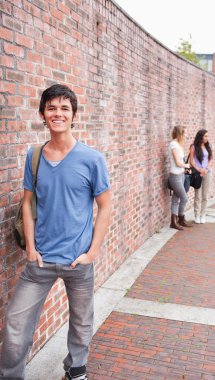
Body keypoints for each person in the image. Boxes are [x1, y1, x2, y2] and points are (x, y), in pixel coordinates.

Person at [0, 84, 111, 380]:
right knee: (15, 322)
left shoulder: (92, 159)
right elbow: (27, 204)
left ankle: (75, 370)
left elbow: (105, 207)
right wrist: (32, 249)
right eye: (51, 108)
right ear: (42, 114)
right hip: (40, 262)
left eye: (64, 108)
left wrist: (93, 252)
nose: (57, 113)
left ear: (74, 115)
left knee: (81, 321)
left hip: (78, 261)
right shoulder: (34, 156)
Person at [168, 125, 193, 230]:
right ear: (179, 134)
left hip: (181, 174)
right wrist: (186, 165)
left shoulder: (178, 145)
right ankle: (180, 218)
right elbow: (178, 163)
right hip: (175, 176)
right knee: (184, 197)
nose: (185, 135)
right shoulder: (173, 145)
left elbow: (180, 161)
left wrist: (185, 169)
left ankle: (174, 222)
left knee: (176, 198)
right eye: (184, 133)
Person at [189, 129, 213, 224]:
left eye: (208, 136)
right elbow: (191, 161)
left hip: (207, 172)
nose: (207, 138)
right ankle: (196, 215)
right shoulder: (193, 147)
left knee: (205, 195)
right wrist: (200, 170)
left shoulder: (209, 146)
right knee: (197, 195)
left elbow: (211, 159)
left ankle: (203, 214)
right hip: (198, 173)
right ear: (200, 136)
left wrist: (206, 169)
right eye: (205, 136)